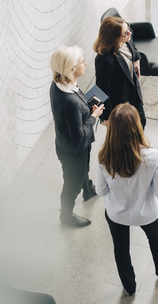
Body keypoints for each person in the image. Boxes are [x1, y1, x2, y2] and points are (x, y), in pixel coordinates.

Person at [95, 103, 158, 296]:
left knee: (121, 249)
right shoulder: (153, 156)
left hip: (116, 214)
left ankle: (129, 287)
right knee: (156, 239)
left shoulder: (104, 157)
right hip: (147, 213)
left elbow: (101, 191)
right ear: (137, 127)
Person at [49, 46, 105, 227]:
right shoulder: (70, 102)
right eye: (82, 61)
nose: (86, 63)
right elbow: (79, 136)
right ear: (72, 69)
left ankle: (87, 189)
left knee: (83, 169)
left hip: (68, 146)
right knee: (71, 185)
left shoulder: (60, 83)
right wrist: (93, 117)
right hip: (74, 151)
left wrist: (87, 109)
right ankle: (66, 216)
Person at [94, 16, 146, 128]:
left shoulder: (126, 37)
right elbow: (102, 89)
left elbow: (132, 46)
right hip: (121, 101)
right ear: (114, 38)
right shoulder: (104, 59)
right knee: (127, 134)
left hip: (134, 93)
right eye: (125, 33)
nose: (130, 34)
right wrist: (107, 117)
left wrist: (136, 59)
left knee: (142, 124)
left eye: (128, 30)